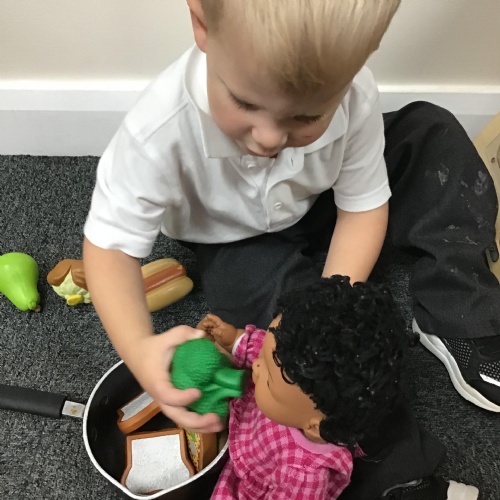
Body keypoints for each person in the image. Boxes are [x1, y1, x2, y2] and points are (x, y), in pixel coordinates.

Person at [81, 0, 495, 497]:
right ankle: (398, 473)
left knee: (431, 131)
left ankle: (460, 310)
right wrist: (139, 349)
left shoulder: (354, 95)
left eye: (307, 115)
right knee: (301, 353)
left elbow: (362, 209)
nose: (270, 138)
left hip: (318, 201)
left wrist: (329, 305)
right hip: (232, 240)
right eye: (246, 103)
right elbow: (108, 248)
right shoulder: (157, 131)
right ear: (202, 23)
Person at [198, 276, 411, 500]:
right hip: (247, 435)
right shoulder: (291, 368)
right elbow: (267, 349)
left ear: (314, 427)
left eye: (269, 382)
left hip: (250, 481)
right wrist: (235, 339)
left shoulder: (303, 475)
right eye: (264, 358)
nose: (257, 367)